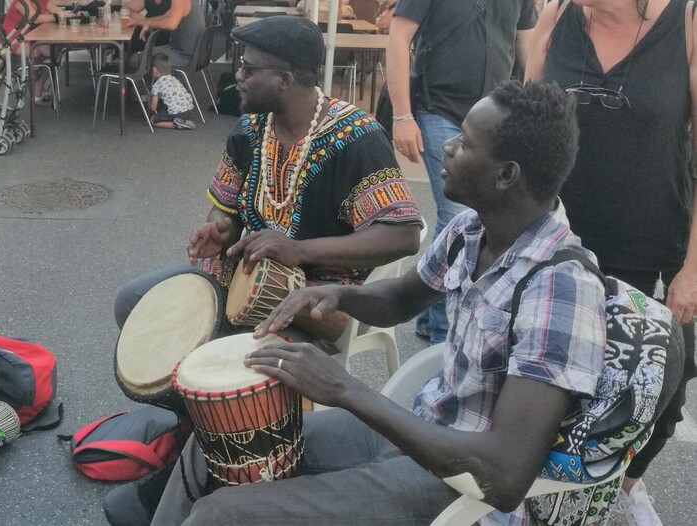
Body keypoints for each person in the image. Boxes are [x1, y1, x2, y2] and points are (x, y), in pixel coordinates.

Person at [151, 81, 610, 526]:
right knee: (214, 445)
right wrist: (339, 294)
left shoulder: (559, 286)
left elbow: (504, 476)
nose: (448, 147)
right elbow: (400, 298)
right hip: (421, 428)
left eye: (466, 143)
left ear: (506, 175)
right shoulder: (471, 231)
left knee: (222, 515)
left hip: (459, 488)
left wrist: (345, 389)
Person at [525, 0, 697, 525]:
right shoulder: (556, 17)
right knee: (559, 375)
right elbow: (522, 126)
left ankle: (627, 483)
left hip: (653, 240)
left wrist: (693, 268)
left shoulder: (687, 28)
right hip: (560, 241)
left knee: (663, 379)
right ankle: (549, 491)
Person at [114, 16, 422, 336]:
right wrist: (221, 230)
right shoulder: (249, 129)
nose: (238, 76)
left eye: (248, 69)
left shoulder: (358, 138)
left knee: (217, 347)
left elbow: (403, 235)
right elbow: (224, 208)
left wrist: (300, 250)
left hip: (321, 294)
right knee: (132, 302)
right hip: (246, 273)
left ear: (284, 80)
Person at [387, 0, 534, 345]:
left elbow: (527, 42)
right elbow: (399, 36)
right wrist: (402, 114)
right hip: (440, 110)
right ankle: (448, 334)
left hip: (495, 118)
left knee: (475, 217)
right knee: (459, 215)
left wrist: (533, 106)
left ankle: (431, 315)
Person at [1, 0, 65, 103]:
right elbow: (34, 18)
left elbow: (58, 12)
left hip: (33, 37)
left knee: (54, 52)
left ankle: (38, 85)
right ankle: (36, 88)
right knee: (34, 53)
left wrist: (66, 14)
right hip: (14, 39)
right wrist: (60, 17)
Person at [135, 0, 205, 70]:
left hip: (183, 56)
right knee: (146, 53)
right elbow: (165, 16)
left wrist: (147, 23)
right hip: (196, 55)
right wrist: (144, 22)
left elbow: (171, 23)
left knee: (136, 58)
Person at [148, 53, 196, 130]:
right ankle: (181, 120)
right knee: (164, 105)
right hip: (188, 110)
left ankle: (177, 124)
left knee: (153, 120)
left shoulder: (157, 85)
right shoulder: (174, 79)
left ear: (154, 70)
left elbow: (153, 108)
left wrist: (148, 100)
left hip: (177, 112)